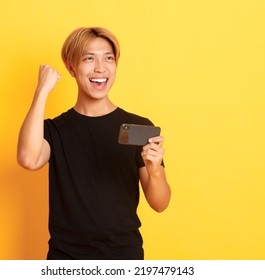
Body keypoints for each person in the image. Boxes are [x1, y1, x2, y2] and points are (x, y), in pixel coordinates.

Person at [17, 27, 171, 260]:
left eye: (108, 58)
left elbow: (160, 204)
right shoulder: (55, 130)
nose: (101, 67)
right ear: (71, 67)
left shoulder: (138, 127)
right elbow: (28, 159)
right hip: (65, 259)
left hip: (123, 258)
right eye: (89, 58)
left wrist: (155, 170)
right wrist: (42, 91)